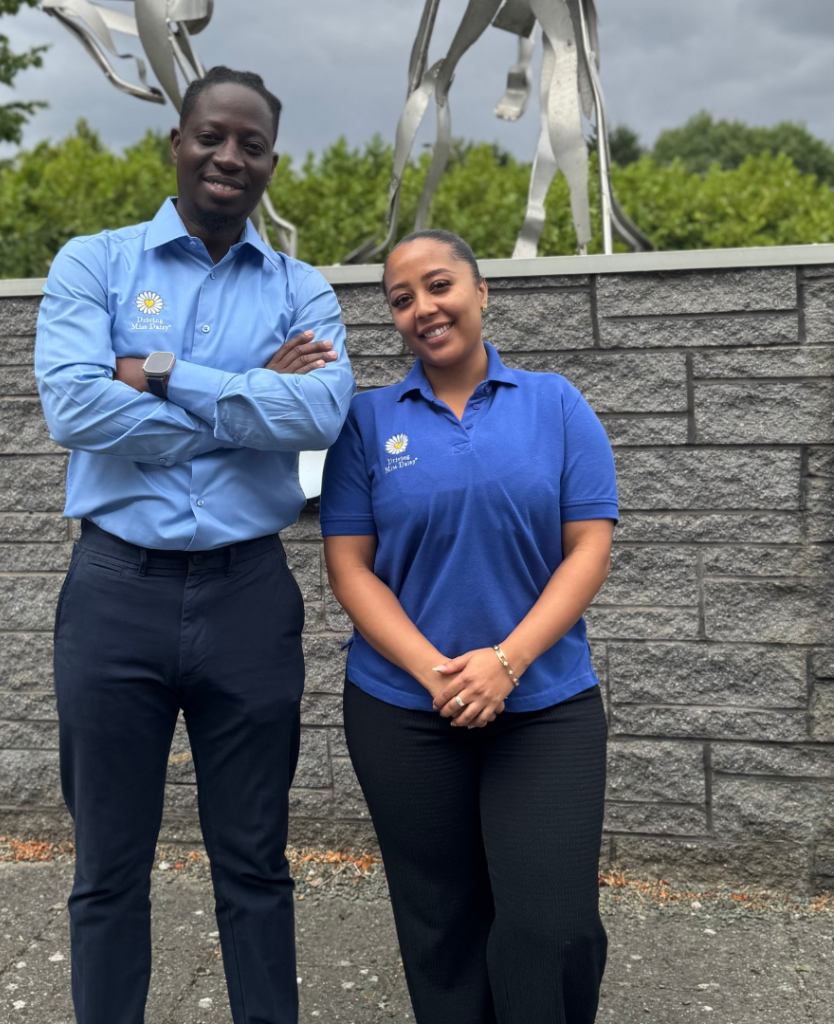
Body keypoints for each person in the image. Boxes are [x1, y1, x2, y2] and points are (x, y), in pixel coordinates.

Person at [35, 66, 355, 1024]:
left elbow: (320, 413)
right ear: (176, 142)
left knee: (254, 861)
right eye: (212, 135)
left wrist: (164, 374)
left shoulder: (302, 288)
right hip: (113, 593)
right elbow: (75, 407)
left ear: (270, 164)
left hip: (247, 597)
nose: (229, 156)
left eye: (251, 144)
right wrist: (247, 393)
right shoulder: (93, 264)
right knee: (107, 866)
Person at [321, 229, 617, 1023]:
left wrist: (505, 663)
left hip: (544, 705)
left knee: (551, 924)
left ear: (482, 292)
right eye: (402, 299)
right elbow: (349, 568)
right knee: (443, 926)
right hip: (403, 710)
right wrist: (437, 673)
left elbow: (589, 549)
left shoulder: (556, 403)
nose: (424, 307)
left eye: (440, 285)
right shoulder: (366, 422)